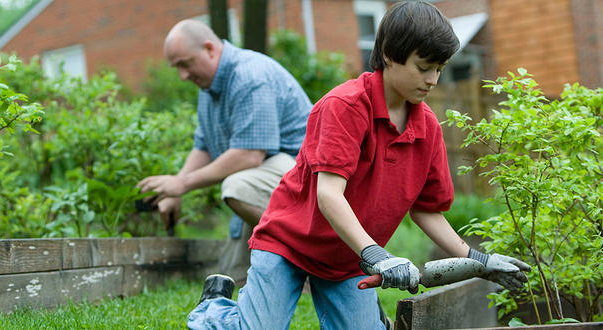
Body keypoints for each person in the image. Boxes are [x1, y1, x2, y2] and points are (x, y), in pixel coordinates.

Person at [187, 2, 532, 329]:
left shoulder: (426, 128)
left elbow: (427, 211)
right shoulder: (344, 106)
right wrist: (378, 255)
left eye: (439, 69)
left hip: (347, 260)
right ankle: (215, 309)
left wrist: (480, 261)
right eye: (423, 67)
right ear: (388, 55)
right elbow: (329, 195)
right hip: (290, 244)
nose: (433, 80)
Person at [137, 19, 312, 285]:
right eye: (177, 68)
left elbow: (249, 155)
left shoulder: (249, 75)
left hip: (307, 181)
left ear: (209, 49)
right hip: (268, 183)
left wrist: (182, 184)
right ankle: (284, 266)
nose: (182, 76)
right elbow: (204, 145)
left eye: (185, 64)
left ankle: (310, 259)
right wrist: (173, 190)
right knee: (231, 276)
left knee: (238, 186)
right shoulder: (209, 88)